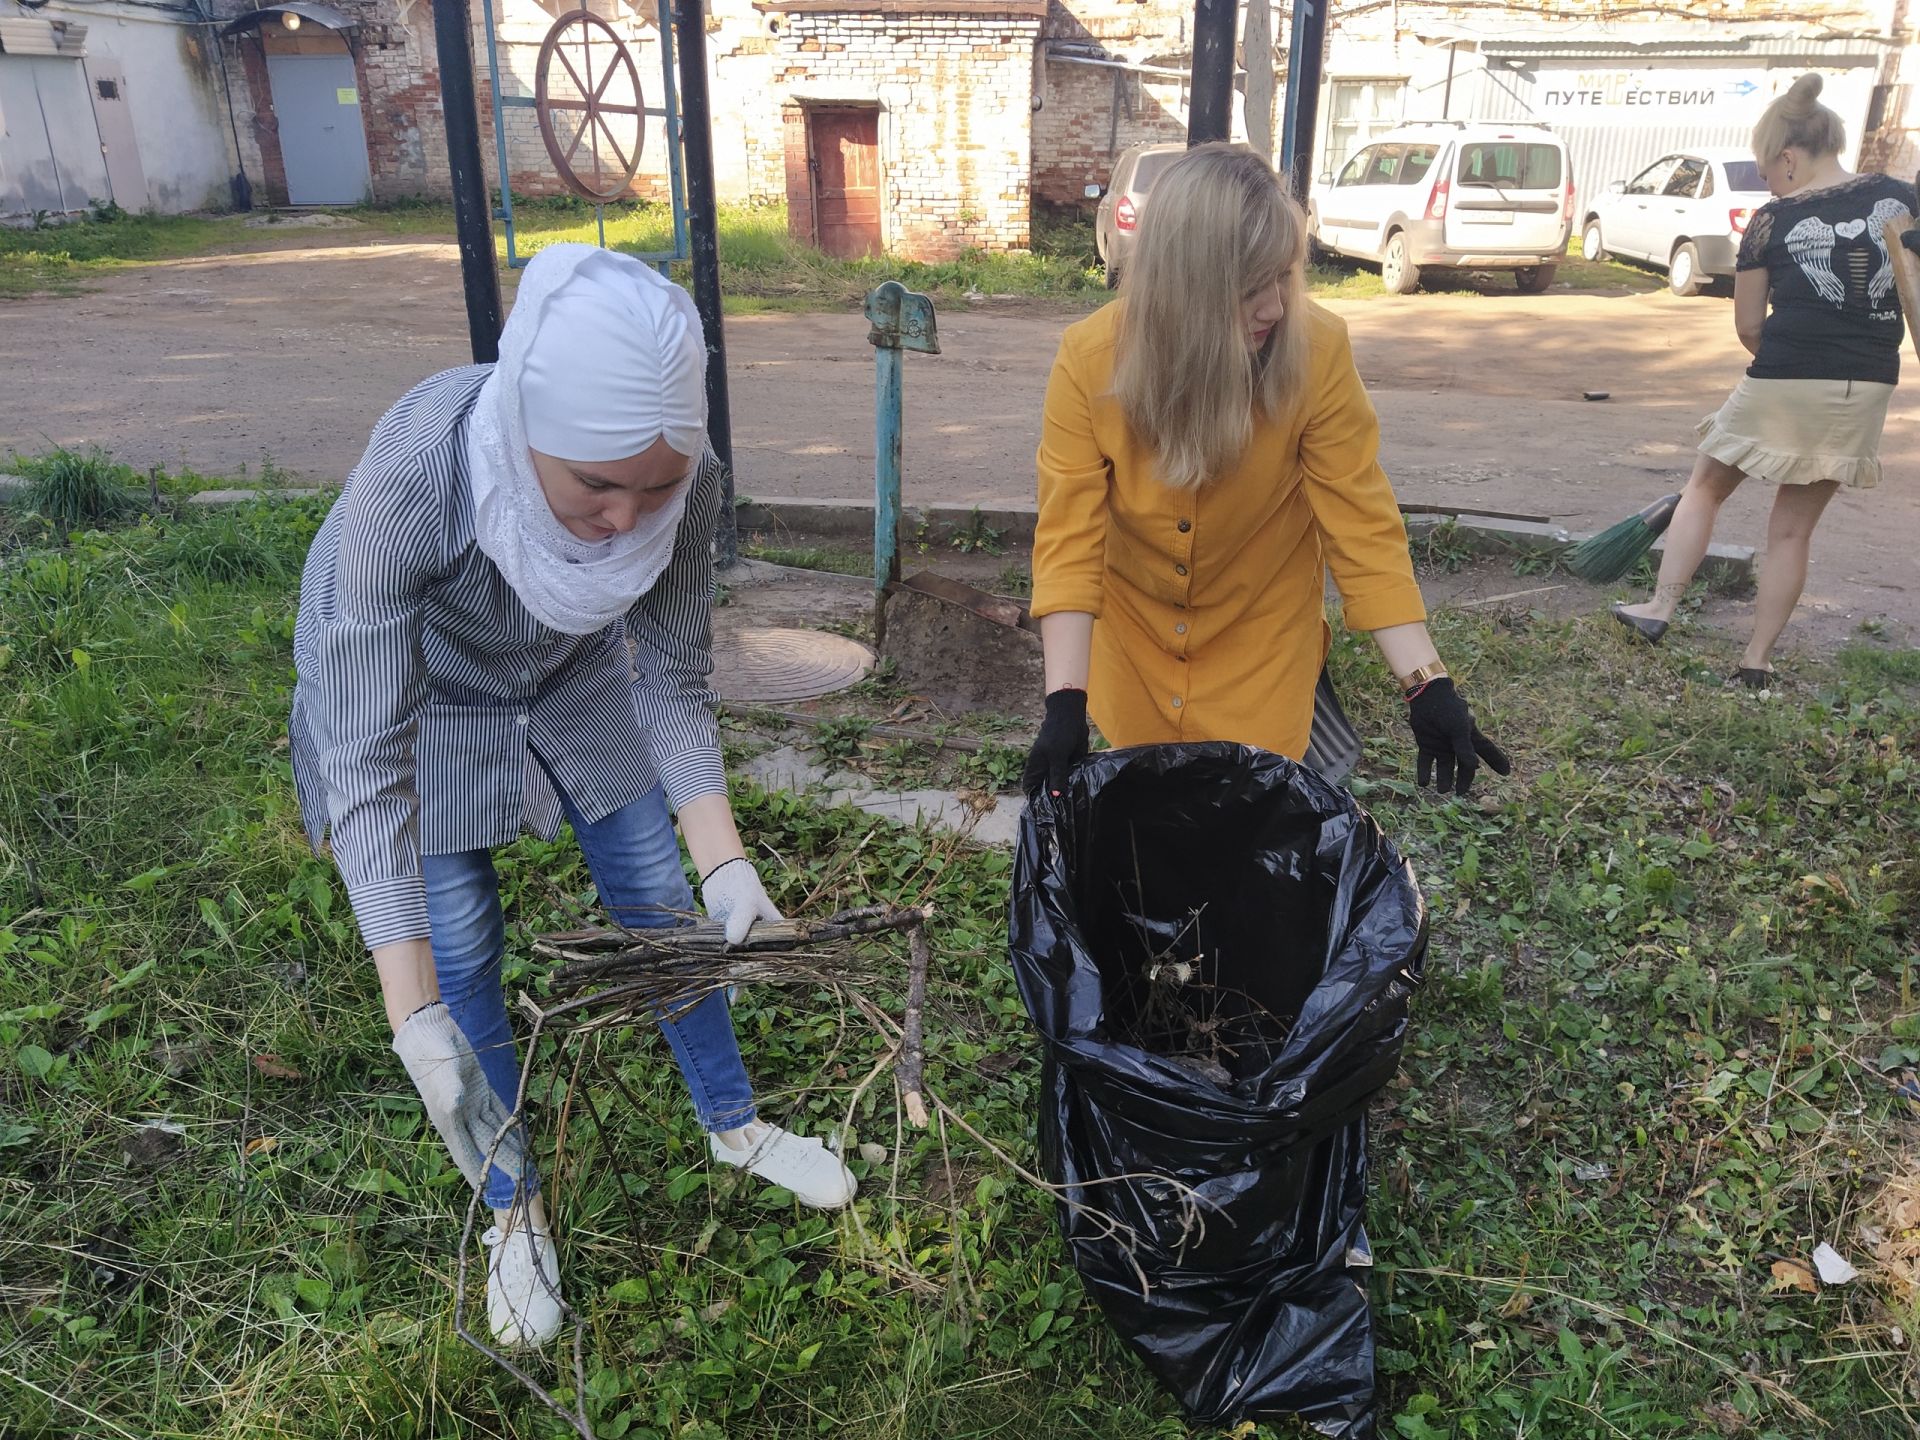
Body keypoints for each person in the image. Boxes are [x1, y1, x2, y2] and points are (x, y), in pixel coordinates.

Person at [289, 243, 855, 1351]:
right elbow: (363, 761)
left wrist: (727, 863)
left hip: (570, 663)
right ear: (529, 431)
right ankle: (512, 1204)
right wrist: (412, 1016)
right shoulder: (412, 484)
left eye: (655, 489)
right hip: (427, 686)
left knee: (656, 886)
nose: (623, 520)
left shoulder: (678, 498)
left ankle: (733, 1125)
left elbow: (677, 680)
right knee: (456, 947)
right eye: (596, 484)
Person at [1023, 143, 1508, 798]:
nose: (1276, 307)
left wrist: (1428, 684)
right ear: (1184, 284)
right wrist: (1065, 703)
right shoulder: (1088, 362)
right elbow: (1068, 544)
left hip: (1264, 659)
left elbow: (1361, 528)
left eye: (1284, 276)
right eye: (1252, 285)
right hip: (1131, 659)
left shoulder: (1318, 352)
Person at [1611, 74, 1916, 685]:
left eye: (1764, 168)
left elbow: (1749, 325)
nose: (1766, 181)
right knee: (1793, 529)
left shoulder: (1774, 219)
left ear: (1787, 156)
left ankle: (1660, 606)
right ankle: (1755, 661)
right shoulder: (1902, 198)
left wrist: (1778, 363)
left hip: (1783, 376)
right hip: (1869, 384)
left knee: (1705, 487)